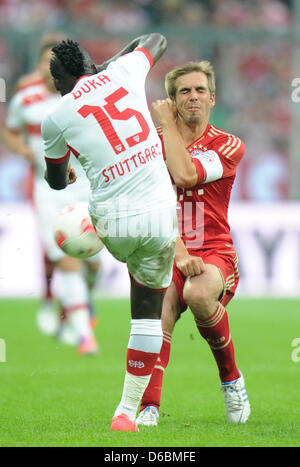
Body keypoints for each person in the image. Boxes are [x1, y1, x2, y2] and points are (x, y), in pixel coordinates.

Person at [41, 35, 178, 432]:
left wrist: (65, 173)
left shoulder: (57, 114)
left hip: (112, 224)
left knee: (83, 221)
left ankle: (81, 290)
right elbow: (155, 38)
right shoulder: (125, 69)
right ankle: (126, 413)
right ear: (91, 64)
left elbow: (55, 181)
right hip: (160, 217)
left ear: (58, 82)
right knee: (149, 315)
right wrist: (109, 65)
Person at [137, 61, 251, 426]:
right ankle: (149, 408)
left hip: (216, 250)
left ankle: (231, 380)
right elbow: (146, 200)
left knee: (198, 295)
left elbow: (186, 175)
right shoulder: (151, 143)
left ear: (212, 98)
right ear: (172, 100)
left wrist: (166, 123)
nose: (193, 97)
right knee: (160, 312)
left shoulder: (228, 145)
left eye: (200, 90)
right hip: (169, 247)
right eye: (184, 91)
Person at [4, 39, 100, 354]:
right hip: (48, 189)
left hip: (86, 186)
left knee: (94, 263)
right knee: (68, 257)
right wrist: (22, 150)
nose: (52, 70)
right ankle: (85, 334)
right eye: (47, 63)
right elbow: (10, 128)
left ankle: (79, 303)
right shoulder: (26, 99)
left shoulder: (81, 98)